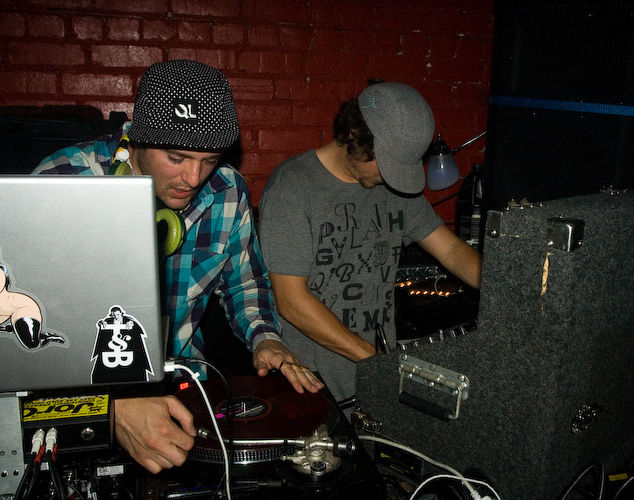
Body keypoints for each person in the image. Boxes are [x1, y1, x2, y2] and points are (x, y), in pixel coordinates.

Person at [33, 59, 323, 473]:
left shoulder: (226, 191)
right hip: (83, 409)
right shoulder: (59, 184)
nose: (193, 177)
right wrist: (111, 408)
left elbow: (244, 283)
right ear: (137, 137)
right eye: (176, 157)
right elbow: (25, 341)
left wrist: (265, 338)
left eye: (209, 159)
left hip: (186, 395)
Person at [258, 82, 481, 408]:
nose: (392, 177)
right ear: (353, 134)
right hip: (312, 385)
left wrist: (505, 290)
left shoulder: (395, 191)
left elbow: (450, 250)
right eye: (385, 163)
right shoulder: (293, 187)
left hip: (374, 373)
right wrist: (380, 363)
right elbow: (291, 301)